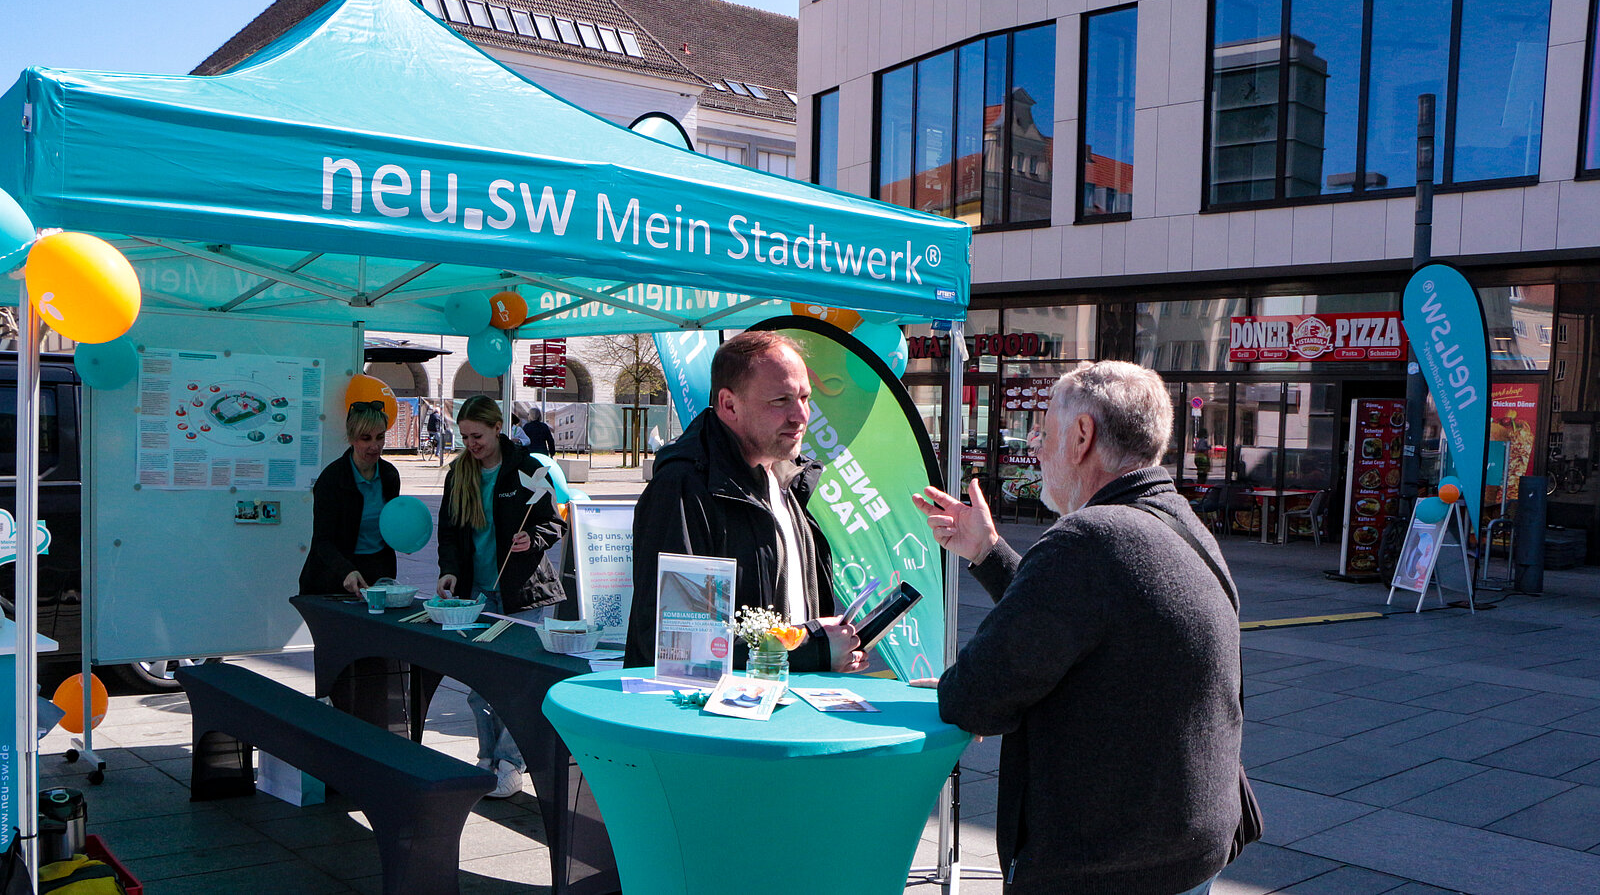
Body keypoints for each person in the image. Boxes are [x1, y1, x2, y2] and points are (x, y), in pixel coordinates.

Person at [912, 361, 1242, 895]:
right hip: (1185, 846)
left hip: (1108, 866)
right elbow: (1081, 618)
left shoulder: (1089, 539)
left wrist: (959, 688)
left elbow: (974, 696)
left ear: (1082, 436)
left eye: (1043, 432)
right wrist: (988, 552)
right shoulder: (1178, 519)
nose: (1037, 449)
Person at [624, 330, 862, 673]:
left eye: (805, 397)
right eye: (780, 400)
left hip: (781, 699)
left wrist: (826, 641)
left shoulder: (786, 477)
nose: (800, 416)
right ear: (729, 405)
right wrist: (813, 650)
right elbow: (678, 641)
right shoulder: (684, 487)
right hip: (707, 706)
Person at [436, 395, 567, 798]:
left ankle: (511, 761)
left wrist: (533, 538)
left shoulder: (527, 468)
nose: (471, 444)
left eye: (477, 436)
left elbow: (554, 523)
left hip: (523, 593)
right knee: (480, 685)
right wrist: (448, 570)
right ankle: (486, 757)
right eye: (464, 437)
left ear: (498, 428)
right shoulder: (459, 474)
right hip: (477, 593)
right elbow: (449, 533)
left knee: (518, 684)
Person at [299, 401, 401, 595]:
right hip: (335, 576)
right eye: (366, 438)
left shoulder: (389, 475)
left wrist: (402, 538)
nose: (375, 446)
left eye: (380, 437)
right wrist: (345, 570)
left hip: (378, 571)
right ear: (352, 439)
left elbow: (390, 525)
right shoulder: (331, 479)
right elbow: (323, 541)